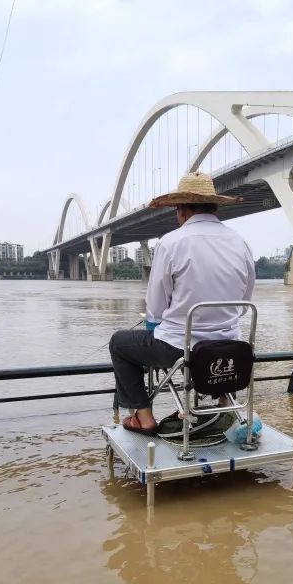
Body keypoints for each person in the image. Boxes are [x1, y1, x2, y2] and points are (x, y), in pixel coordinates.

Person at [109, 172, 255, 435]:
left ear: (182, 210)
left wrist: (157, 324)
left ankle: (144, 417)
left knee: (120, 343)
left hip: (180, 348)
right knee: (222, 341)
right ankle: (225, 405)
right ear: (214, 207)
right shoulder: (240, 242)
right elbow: (244, 302)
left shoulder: (170, 242)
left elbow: (155, 307)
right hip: (230, 347)